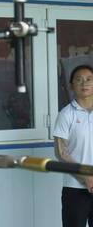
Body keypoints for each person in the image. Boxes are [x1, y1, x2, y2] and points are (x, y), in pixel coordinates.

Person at [54, 64, 93, 227]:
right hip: (75, 188)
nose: (84, 83)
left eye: (89, 79)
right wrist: (85, 176)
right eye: (79, 80)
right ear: (71, 86)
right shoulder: (66, 115)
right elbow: (60, 152)